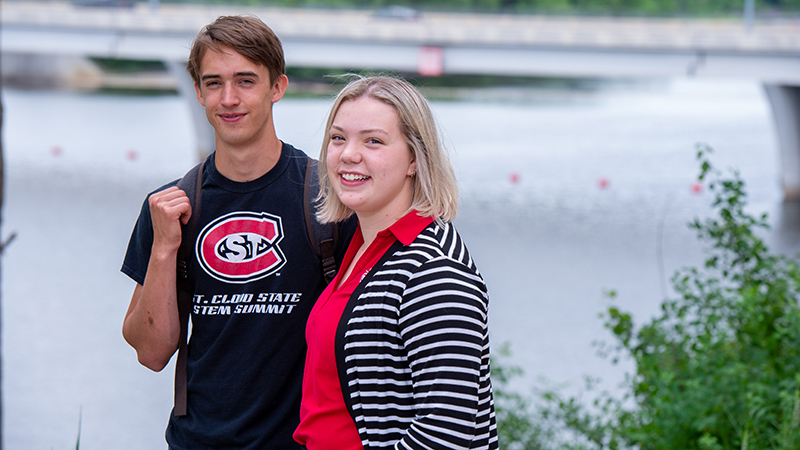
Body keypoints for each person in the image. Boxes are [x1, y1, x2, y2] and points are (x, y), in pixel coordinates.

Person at [120, 15, 354, 450]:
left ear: (277, 88)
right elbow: (151, 353)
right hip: (197, 442)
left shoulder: (330, 198)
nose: (229, 99)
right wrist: (164, 248)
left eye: (246, 81)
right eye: (214, 83)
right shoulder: (170, 204)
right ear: (198, 92)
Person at [293, 75, 499, 450]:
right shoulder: (362, 247)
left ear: (414, 160)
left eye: (373, 141)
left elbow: (446, 434)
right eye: (338, 138)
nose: (348, 154)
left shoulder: (434, 271)